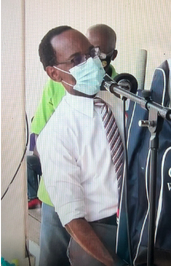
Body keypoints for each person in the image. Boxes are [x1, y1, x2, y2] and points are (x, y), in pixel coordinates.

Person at [29, 24, 119, 266]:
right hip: (57, 190)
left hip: (116, 216)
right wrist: (57, 161)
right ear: (55, 73)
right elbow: (39, 135)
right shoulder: (58, 124)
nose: (90, 63)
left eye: (92, 53)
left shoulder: (118, 95)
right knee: (54, 255)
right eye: (76, 59)